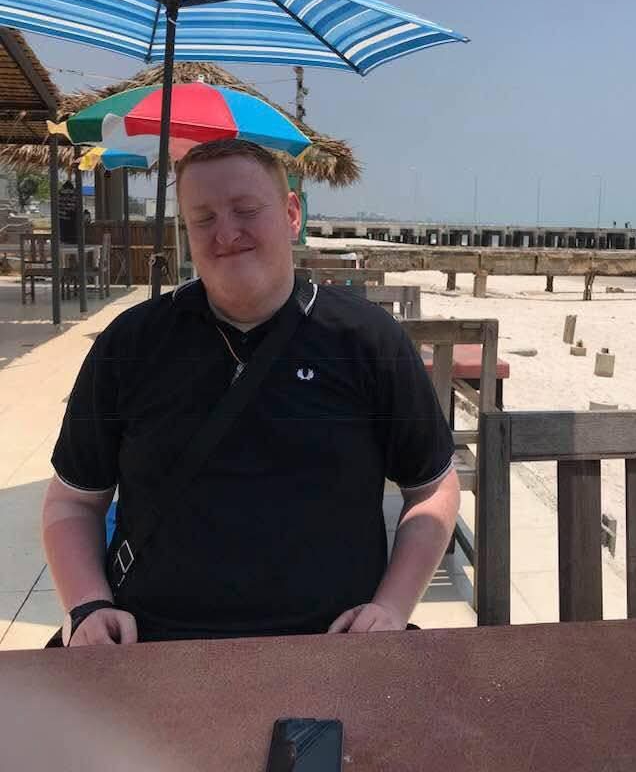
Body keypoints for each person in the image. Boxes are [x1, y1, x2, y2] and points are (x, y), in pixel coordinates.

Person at [42, 139, 459, 647]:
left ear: (290, 214)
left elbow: (432, 488)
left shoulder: (366, 339)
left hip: (333, 643)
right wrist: (88, 605)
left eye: (245, 210)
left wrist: (392, 607)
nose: (226, 233)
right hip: (154, 644)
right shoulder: (130, 343)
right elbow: (73, 502)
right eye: (204, 218)